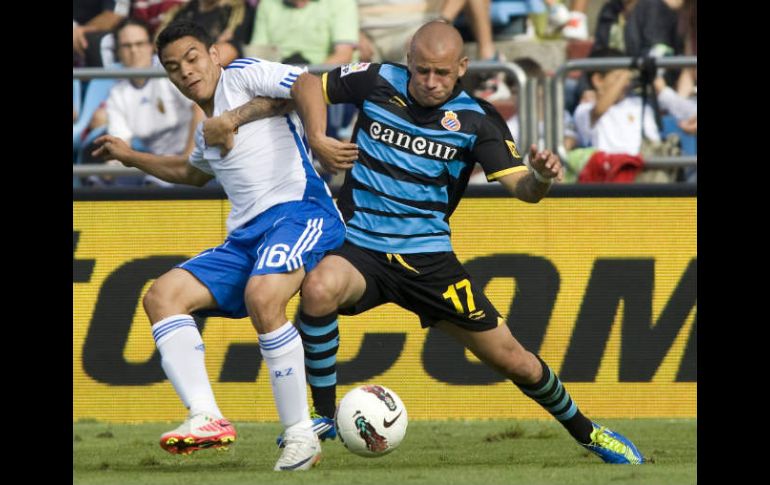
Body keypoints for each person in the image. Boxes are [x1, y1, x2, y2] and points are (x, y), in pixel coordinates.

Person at [285, 21, 645, 464]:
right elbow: (305, 83)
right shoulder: (376, 79)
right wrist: (318, 138)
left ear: (462, 68)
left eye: (441, 73)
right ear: (408, 61)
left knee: (515, 360)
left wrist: (542, 178)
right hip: (361, 248)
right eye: (421, 71)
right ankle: (321, 417)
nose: (430, 82)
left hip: (429, 260)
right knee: (318, 288)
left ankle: (591, 434)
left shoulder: (476, 118)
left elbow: (523, 191)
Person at [91, 20, 357, 471]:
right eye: (174, 68)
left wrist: (316, 139)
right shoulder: (205, 132)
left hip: (300, 212)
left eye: (193, 58)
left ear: (214, 54)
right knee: (162, 296)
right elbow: (190, 173)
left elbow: (307, 82)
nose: (186, 72)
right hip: (246, 237)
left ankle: (300, 436)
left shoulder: (243, 73)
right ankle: (207, 417)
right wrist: (128, 154)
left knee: (262, 296)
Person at [85, 18, 204, 187]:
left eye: (139, 44)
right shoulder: (117, 93)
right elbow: (123, 143)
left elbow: (199, 108)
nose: (134, 51)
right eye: (127, 46)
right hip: (158, 163)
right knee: (99, 181)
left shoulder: (170, 70)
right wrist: (108, 173)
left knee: (152, 187)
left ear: (151, 47)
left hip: (196, 157)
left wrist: (189, 158)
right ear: (118, 52)